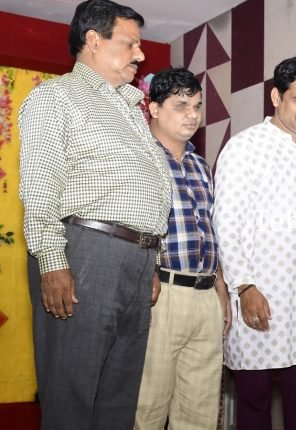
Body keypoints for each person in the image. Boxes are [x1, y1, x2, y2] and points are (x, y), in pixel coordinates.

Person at [18, 1, 172, 429]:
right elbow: (40, 186)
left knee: (118, 403)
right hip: (85, 254)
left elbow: (145, 194)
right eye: (130, 43)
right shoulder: (56, 96)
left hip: (136, 261)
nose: (141, 54)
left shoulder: (130, 109)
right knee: (71, 400)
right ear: (94, 40)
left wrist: (150, 262)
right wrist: (53, 262)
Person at [212, 56, 296, 430]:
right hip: (259, 294)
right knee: (253, 401)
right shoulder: (243, 147)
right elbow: (226, 223)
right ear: (276, 97)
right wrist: (244, 287)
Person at [134, 68, 231, 429]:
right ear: (154, 108)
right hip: (160, 294)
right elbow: (132, 226)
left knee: (199, 414)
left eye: (197, 106)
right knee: (147, 407)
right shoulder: (139, 159)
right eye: (181, 106)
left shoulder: (200, 165)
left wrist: (220, 287)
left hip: (205, 296)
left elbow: (209, 229)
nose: (192, 115)